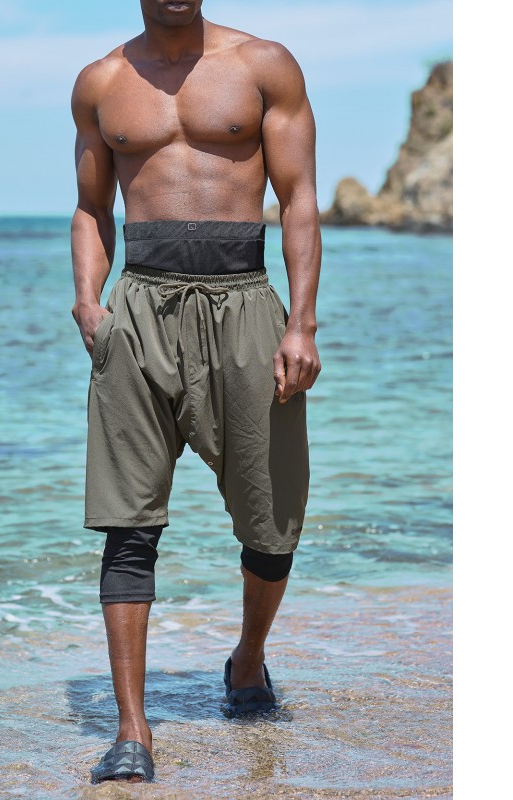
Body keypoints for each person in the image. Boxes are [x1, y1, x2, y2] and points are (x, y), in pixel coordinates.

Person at [70, 0, 321, 784]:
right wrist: (89, 302)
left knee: (273, 520)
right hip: (139, 307)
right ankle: (132, 731)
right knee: (127, 522)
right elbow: (91, 206)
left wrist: (301, 324)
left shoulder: (263, 65)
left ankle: (247, 659)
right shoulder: (101, 81)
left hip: (245, 303)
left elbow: (299, 198)